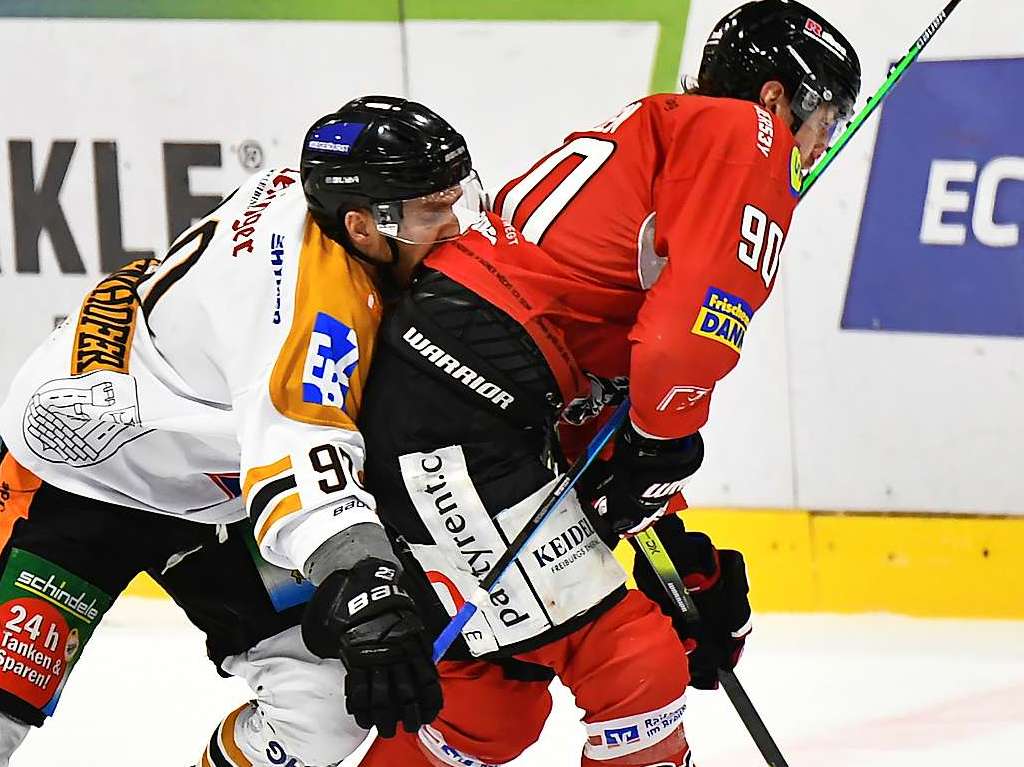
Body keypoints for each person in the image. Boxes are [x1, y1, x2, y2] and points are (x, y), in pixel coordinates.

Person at [352, 1, 861, 766]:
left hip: (455, 391)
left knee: (488, 701)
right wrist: (661, 458)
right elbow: (676, 347)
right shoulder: (745, 138)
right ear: (776, 98)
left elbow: (594, 398)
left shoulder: (661, 140)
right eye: (826, 119)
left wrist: (673, 541)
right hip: (466, 400)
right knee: (633, 667)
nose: (821, 146)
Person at [0, 96, 490, 765]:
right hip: (77, 474)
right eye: (432, 210)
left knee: (321, 713)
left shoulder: (322, 212)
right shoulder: (317, 312)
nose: (453, 224)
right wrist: (364, 582)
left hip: (215, 490)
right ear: (362, 224)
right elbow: (301, 457)